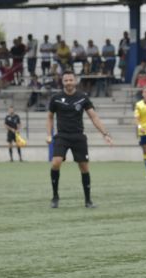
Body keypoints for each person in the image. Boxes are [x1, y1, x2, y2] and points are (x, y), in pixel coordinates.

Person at [46, 71, 113, 208]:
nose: (68, 82)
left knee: (84, 167)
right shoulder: (56, 98)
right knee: (56, 163)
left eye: (71, 80)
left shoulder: (83, 98)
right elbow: (50, 117)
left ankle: (88, 201)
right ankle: (55, 197)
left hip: (78, 136)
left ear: (75, 81)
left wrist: (105, 134)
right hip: (62, 136)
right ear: (62, 82)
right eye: (66, 80)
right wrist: (49, 134)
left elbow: (94, 117)